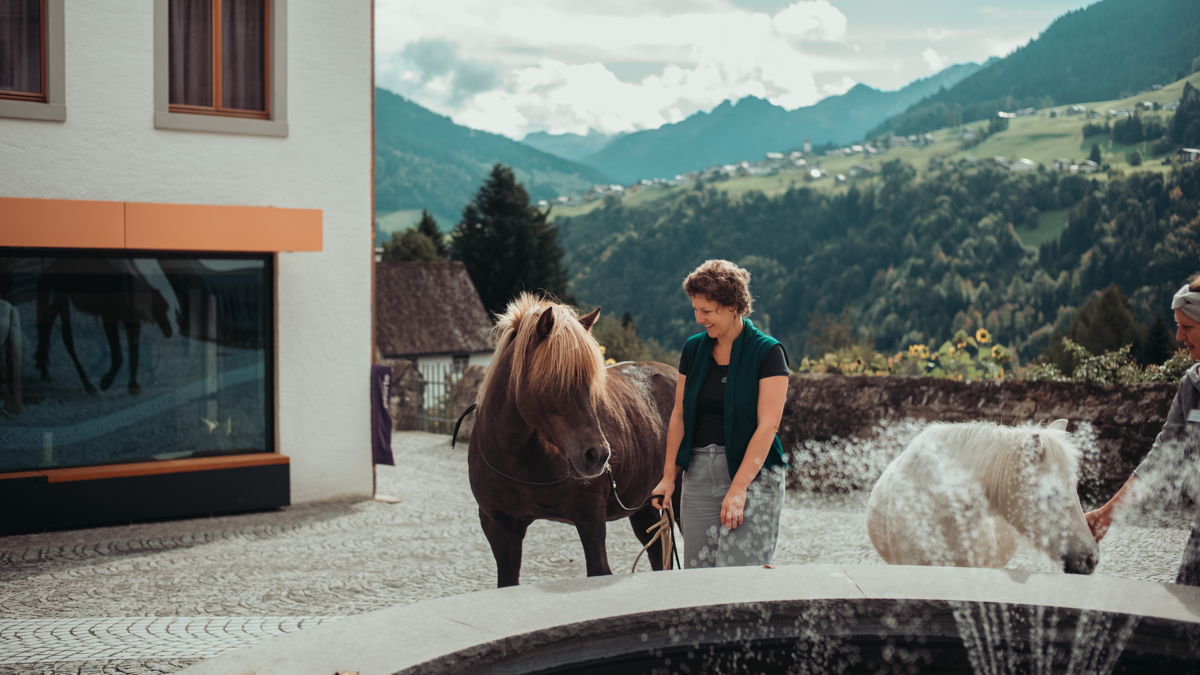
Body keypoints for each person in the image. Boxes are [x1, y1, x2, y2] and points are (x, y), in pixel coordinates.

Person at [651, 259, 790, 568]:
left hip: (755, 477)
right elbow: (679, 415)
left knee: (740, 576)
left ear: (732, 306)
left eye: (707, 311)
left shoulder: (768, 353)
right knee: (699, 576)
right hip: (699, 474)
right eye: (696, 310)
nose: (700, 319)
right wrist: (668, 477)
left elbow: (768, 426)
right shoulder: (693, 349)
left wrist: (739, 489)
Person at [1085, 273, 1200, 585]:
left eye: (1187, 326)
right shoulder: (1192, 384)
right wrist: (1105, 515)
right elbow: (1162, 457)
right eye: (1177, 325)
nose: (1178, 336)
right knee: (1183, 627)